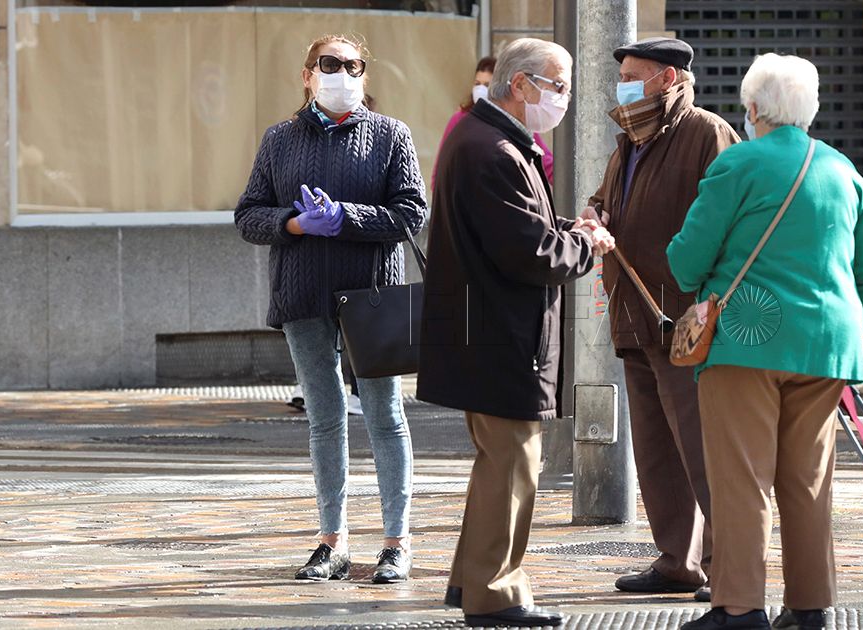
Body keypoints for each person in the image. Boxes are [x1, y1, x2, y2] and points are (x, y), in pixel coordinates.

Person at [666, 53, 863, 629]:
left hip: (746, 340)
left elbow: (687, 263)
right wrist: (841, 327)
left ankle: (739, 607)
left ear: (754, 108)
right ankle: (810, 605)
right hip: (826, 348)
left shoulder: (737, 165)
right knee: (807, 479)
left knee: (742, 478)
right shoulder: (845, 171)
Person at [418, 38, 614, 628]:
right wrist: (586, 243)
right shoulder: (493, 148)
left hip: (489, 328)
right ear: (521, 84)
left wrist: (563, 228)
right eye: (558, 86)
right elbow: (529, 251)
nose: (564, 98)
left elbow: (517, 226)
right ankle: (494, 592)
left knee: (498, 462)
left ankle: (469, 579)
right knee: (512, 463)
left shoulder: (482, 137)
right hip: (500, 334)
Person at [234, 34, 428, 585]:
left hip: (372, 294)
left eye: (353, 65)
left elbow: (412, 212)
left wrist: (347, 217)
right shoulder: (279, 140)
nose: (341, 73)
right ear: (307, 75)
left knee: (387, 417)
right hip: (303, 295)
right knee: (325, 419)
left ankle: (396, 541)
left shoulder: (391, 135)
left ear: (365, 75)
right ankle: (331, 540)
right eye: (330, 64)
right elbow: (248, 215)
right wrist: (292, 224)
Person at [580, 37, 738, 601]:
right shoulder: (629, 141)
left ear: (668, 78)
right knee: (656, 451)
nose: (622, 85)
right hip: (635, 315)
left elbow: (729, 222)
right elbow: (606, 200)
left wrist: (706, 301)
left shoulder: (706, 132)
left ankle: (729, 567)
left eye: (634, 75)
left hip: (687, 320)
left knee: (703, 447)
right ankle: (678, 560)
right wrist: (594, 214)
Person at [432, 56, 554, 186]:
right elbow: (442, 167)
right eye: (477, 84)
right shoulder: (460, 120)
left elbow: (543, 161)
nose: (480, 89)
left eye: (486, 85)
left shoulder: (516, 120)